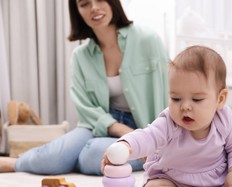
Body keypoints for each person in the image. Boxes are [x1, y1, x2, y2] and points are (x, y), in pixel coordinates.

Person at [0, 0, 168, 175]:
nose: (94, 7)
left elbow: (166, 92)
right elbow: (85, 106)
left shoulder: (148, 40)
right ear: (77, 11)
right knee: (54, 157)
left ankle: (76, 160)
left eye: (100, 0)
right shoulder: (80, 56)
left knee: (93, 155)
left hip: (143, 127)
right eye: (84, 3)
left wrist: (151, 139)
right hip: (99, 124)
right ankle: (16, 163)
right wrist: (120, 129)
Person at [101, 46, 232, 187]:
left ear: (220, 99)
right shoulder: (169, 122)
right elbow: (148, 136)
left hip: (221, 182)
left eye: (197, 99)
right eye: (176, 98)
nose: (185, 106)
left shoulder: (224, 120)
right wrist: (125, 145)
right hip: (176, 182)